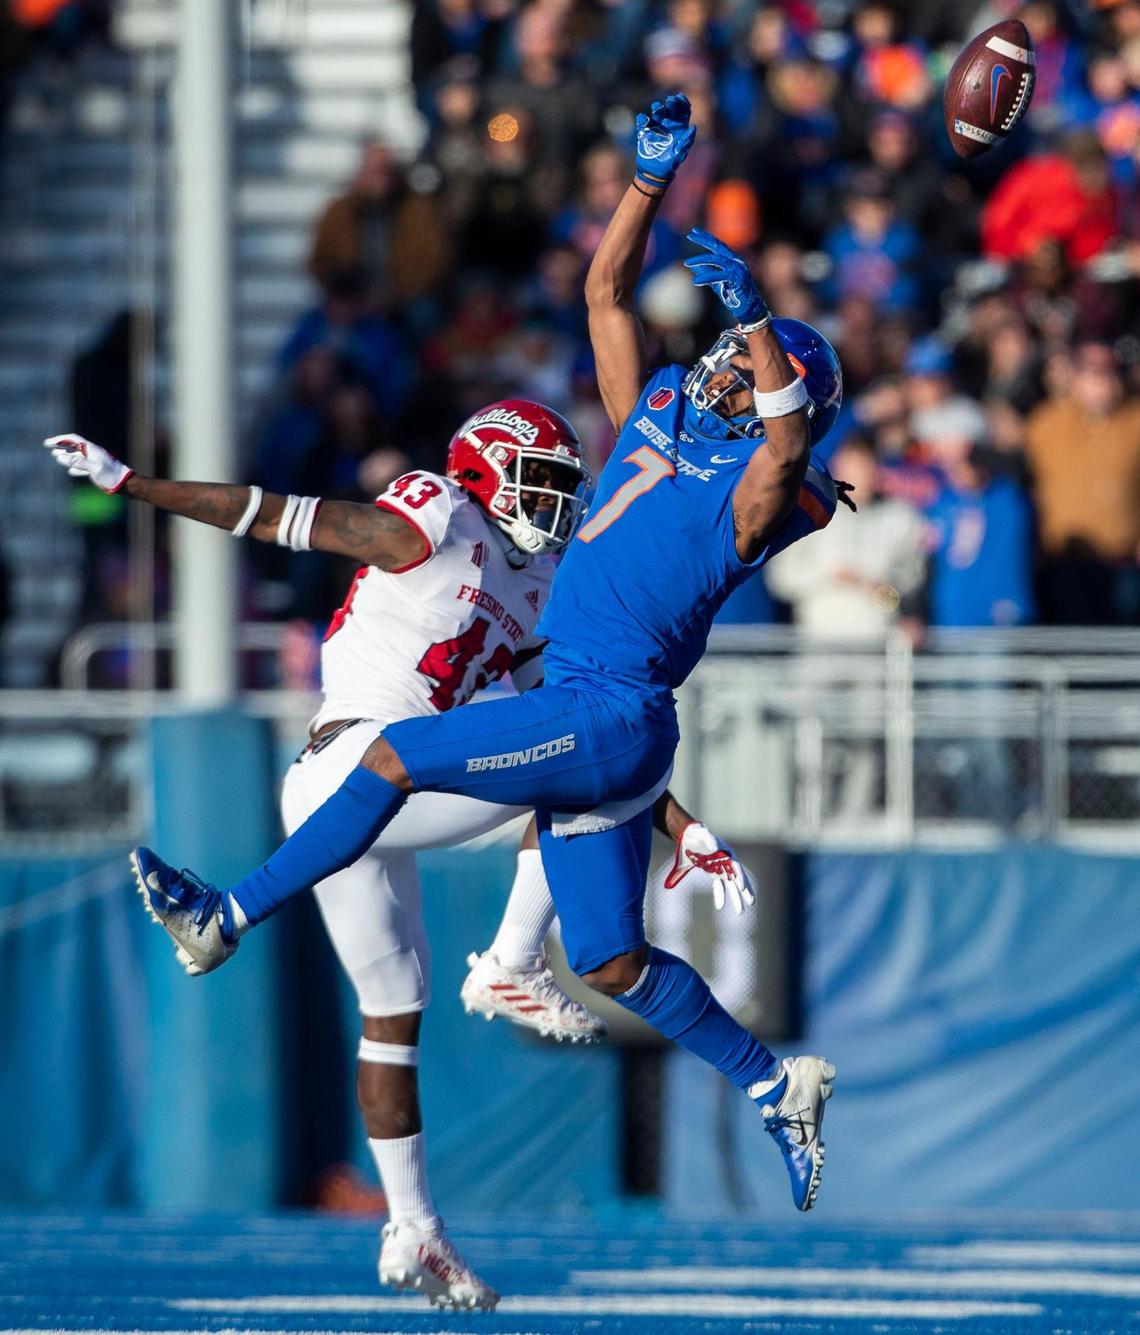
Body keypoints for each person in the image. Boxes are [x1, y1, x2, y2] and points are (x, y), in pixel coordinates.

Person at [127, 94, 844, 1216]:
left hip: (609, 710)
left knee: (392, 760)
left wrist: (761, 321)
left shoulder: (761, 497)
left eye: (742, 374)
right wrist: (647, 185)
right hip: (613, 728)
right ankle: (773, 1080)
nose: (717, 372)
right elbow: (606, 294)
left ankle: (226, 917)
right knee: (609, 961)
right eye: (725, 359)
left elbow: (792, 441)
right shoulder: (657, 414)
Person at [43, 397, 752, 1309]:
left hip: (378, 788)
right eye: (540, 480)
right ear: (487, 470)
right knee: (569, 773)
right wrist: (135, 485)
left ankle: (412, 1226)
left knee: (393, 1014)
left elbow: (584, 726)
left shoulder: (537, 584)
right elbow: (284, 515)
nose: (556, 504)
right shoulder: (438, 511)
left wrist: (680, 821)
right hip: (358, 764)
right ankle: (506, 959)